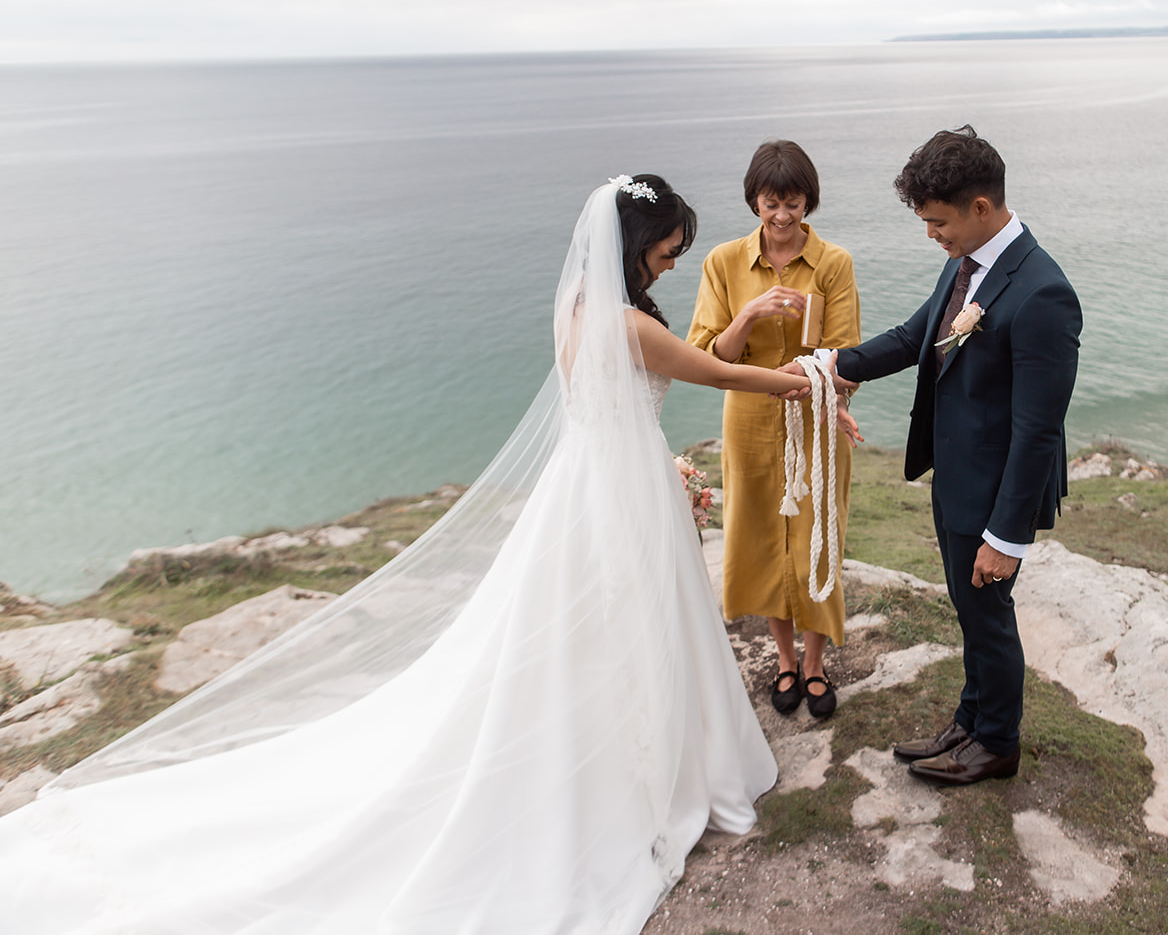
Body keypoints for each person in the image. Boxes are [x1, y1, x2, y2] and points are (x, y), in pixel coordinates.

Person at [0, 175, 811, 934]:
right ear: (634, 246)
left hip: (592, 480)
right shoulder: (631, 324)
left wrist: (740, 340)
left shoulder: (576, 307)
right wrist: (805, 380)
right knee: (629, 620)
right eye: (667, 248)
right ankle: (627, 771)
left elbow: (669, 370)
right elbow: (711, 372)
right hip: (622, 487)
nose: (674, 260)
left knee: (589, 627)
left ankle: (606, 748)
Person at [819, 127, 1081, 786]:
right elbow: (918, 335)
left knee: (988, 617)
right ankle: (971, 717)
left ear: (981, 208)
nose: (932, 234)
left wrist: (1006, 535)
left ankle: (997, 744)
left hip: (995, 497)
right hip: (956, 479)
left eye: (938, 222)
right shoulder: (967, 260)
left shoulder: (1043, 293)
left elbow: (1037, 430)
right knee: (969, 610)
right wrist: (832, 364)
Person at [688, 140, 861, 719]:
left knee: (817, 534)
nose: (783, 217)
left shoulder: (833, 263)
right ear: (753, 202)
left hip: (815, 420)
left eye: (793, 204)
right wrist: (750, 313)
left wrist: (826, 386)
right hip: (749, 424)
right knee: (763, 536)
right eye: (771, 204)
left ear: (808, 201)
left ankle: (815, 665)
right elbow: (708, 355)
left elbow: (846, 358)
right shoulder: (723, 263)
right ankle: (784, 660)